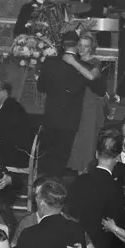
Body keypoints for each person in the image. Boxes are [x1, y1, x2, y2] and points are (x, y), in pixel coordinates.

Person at [36, 31, 88, 177]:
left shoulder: (50, 62)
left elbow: (41, 87)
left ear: (62, 45)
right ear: (77, 45)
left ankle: (42, 188)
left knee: (46, 156)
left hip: (51, 116)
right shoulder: (82, 65)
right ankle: (54, 189)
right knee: (61, 158)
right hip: (70, 120)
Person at [67, 32, 109, 175]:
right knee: (77, 139)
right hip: (76, 102)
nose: (82, 49)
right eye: (80, 45)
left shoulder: (95, 62)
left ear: (92, 48)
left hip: (89, 104)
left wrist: (74, 63)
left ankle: (84, 173)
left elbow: (92, 76)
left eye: (86, 46)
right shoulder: (72, 59)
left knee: (88, 139)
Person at [0, 78, 38, 171]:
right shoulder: (11, 105)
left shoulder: (9, 109)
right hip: (19, 152)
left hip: (16, 157)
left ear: (4, 92)